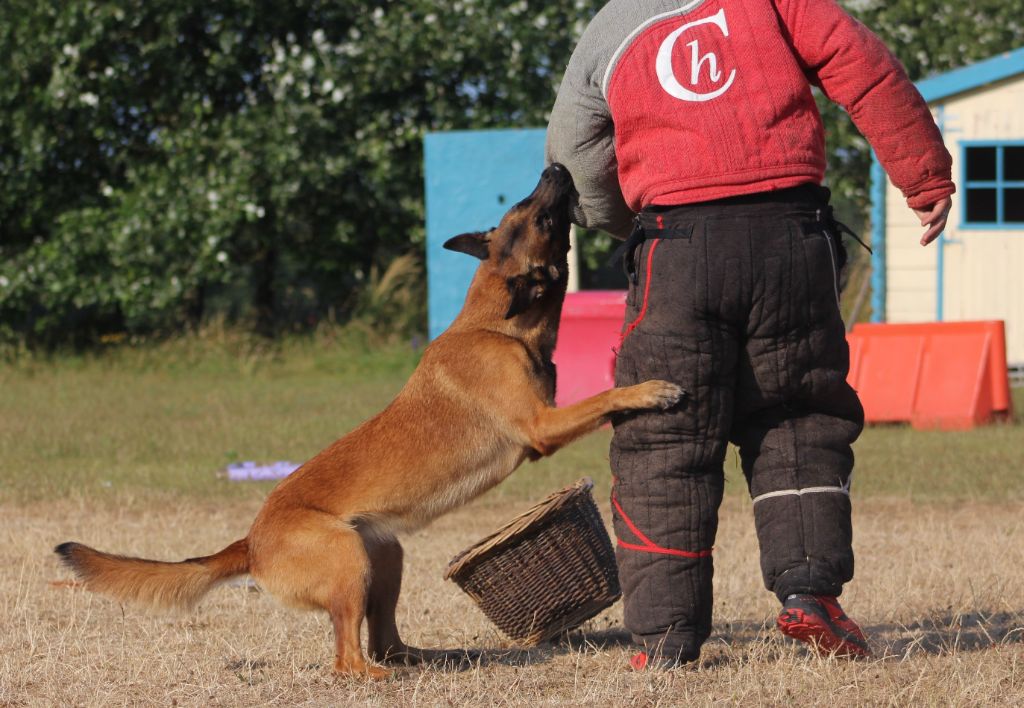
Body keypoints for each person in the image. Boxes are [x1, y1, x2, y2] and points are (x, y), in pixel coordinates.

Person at [545, 0, 954, 669]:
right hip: (789, 234)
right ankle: (812, 595)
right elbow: (863, 65)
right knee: (798, 416)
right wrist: (923, 172)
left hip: (675, 244)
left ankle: (664, 641)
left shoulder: (609, 27)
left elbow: (576, 155)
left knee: (664, 439)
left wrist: (634, 225)